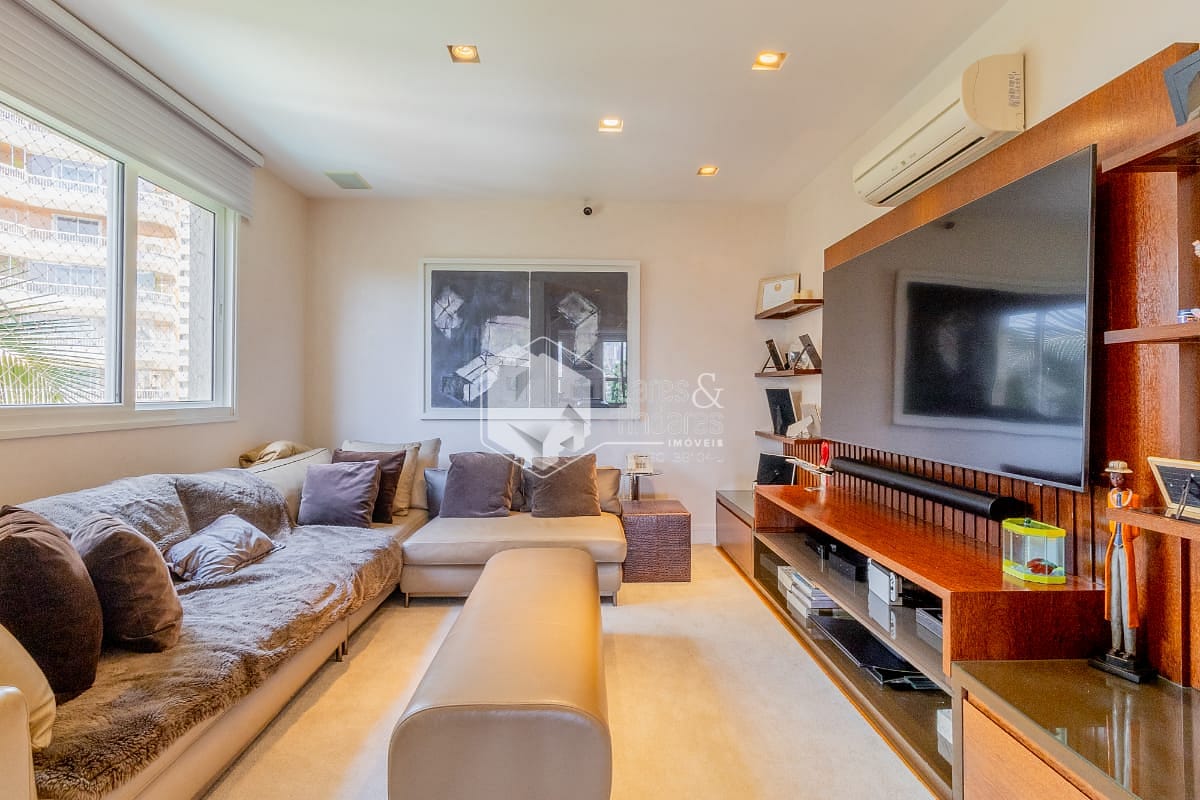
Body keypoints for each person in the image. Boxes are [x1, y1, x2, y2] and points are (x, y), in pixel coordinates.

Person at [1103, 460, 1141, 660]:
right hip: (1114, 546)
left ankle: (1130, 649)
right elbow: (1111, 524)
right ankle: (1116, 645)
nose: (1116, 480)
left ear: (1125, 478)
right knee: (1115, 595)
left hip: (1125, 547)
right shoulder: (1110, 496)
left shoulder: (1132, 498)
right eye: (1113, 477)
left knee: (1127, 596)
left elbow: (1135, 530)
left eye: (1119, 477)